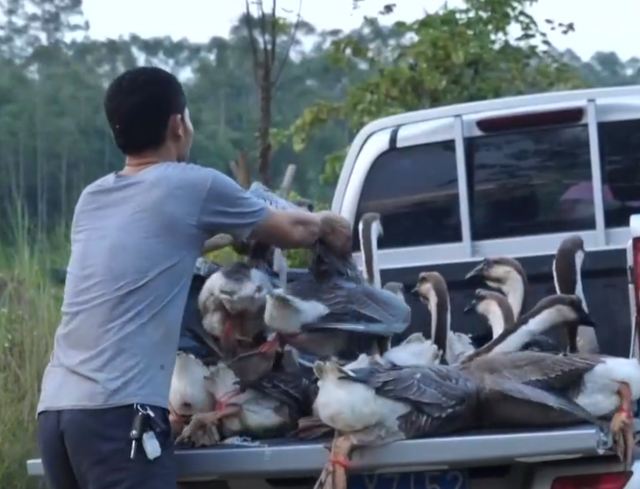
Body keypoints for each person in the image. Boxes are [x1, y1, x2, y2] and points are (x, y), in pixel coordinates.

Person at [36, 66, 352, 489]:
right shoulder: (192, 185)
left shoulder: (92, 198)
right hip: (119, 417)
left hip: (57, 416)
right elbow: (293, 230)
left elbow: (154, 243)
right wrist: (326, 223)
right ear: (178, 125)